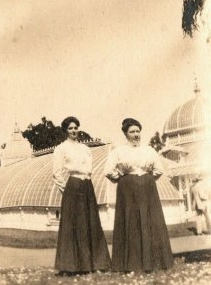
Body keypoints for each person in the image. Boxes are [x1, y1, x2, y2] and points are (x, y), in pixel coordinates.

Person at [104, 118, 174, 273]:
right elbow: (108, 171)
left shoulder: (149, 150)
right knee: (131, 221)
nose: (136, 135)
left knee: (151, 220)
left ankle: (155, 262)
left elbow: (158, 169)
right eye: (132, 132)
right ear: (126, 134)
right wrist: (124, 179)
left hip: (148, 189)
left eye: (138, 131)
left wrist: (146, 180)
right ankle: (131, 264)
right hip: (127, 190)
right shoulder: (118, 151)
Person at [53, 116, 111, 275]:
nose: (74, 131)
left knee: (91, 223)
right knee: (74, 225)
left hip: (87, 185)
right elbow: (57, 173)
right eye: (70, 128)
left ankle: (96, 264)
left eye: (76, 127)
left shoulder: (85, 148)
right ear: (65, 131)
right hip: (73, 186)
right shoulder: (61, 149)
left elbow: (88, 168)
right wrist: (68, 191)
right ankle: (71, 266)